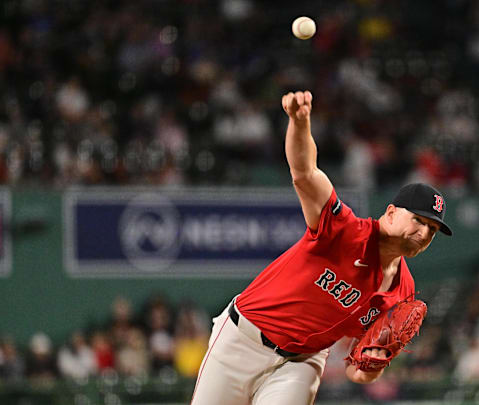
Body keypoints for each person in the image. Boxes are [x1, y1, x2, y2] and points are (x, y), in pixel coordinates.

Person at [189, 90, 453, 405]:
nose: (424, 232)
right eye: (419, 221)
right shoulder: (344, 232)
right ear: (392, 212)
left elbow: (359, 374)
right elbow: (305, 174)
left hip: (302, 363)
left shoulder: (402, 293)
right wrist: (299, 122)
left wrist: (375, 360)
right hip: (242, 339)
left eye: (433, 230)